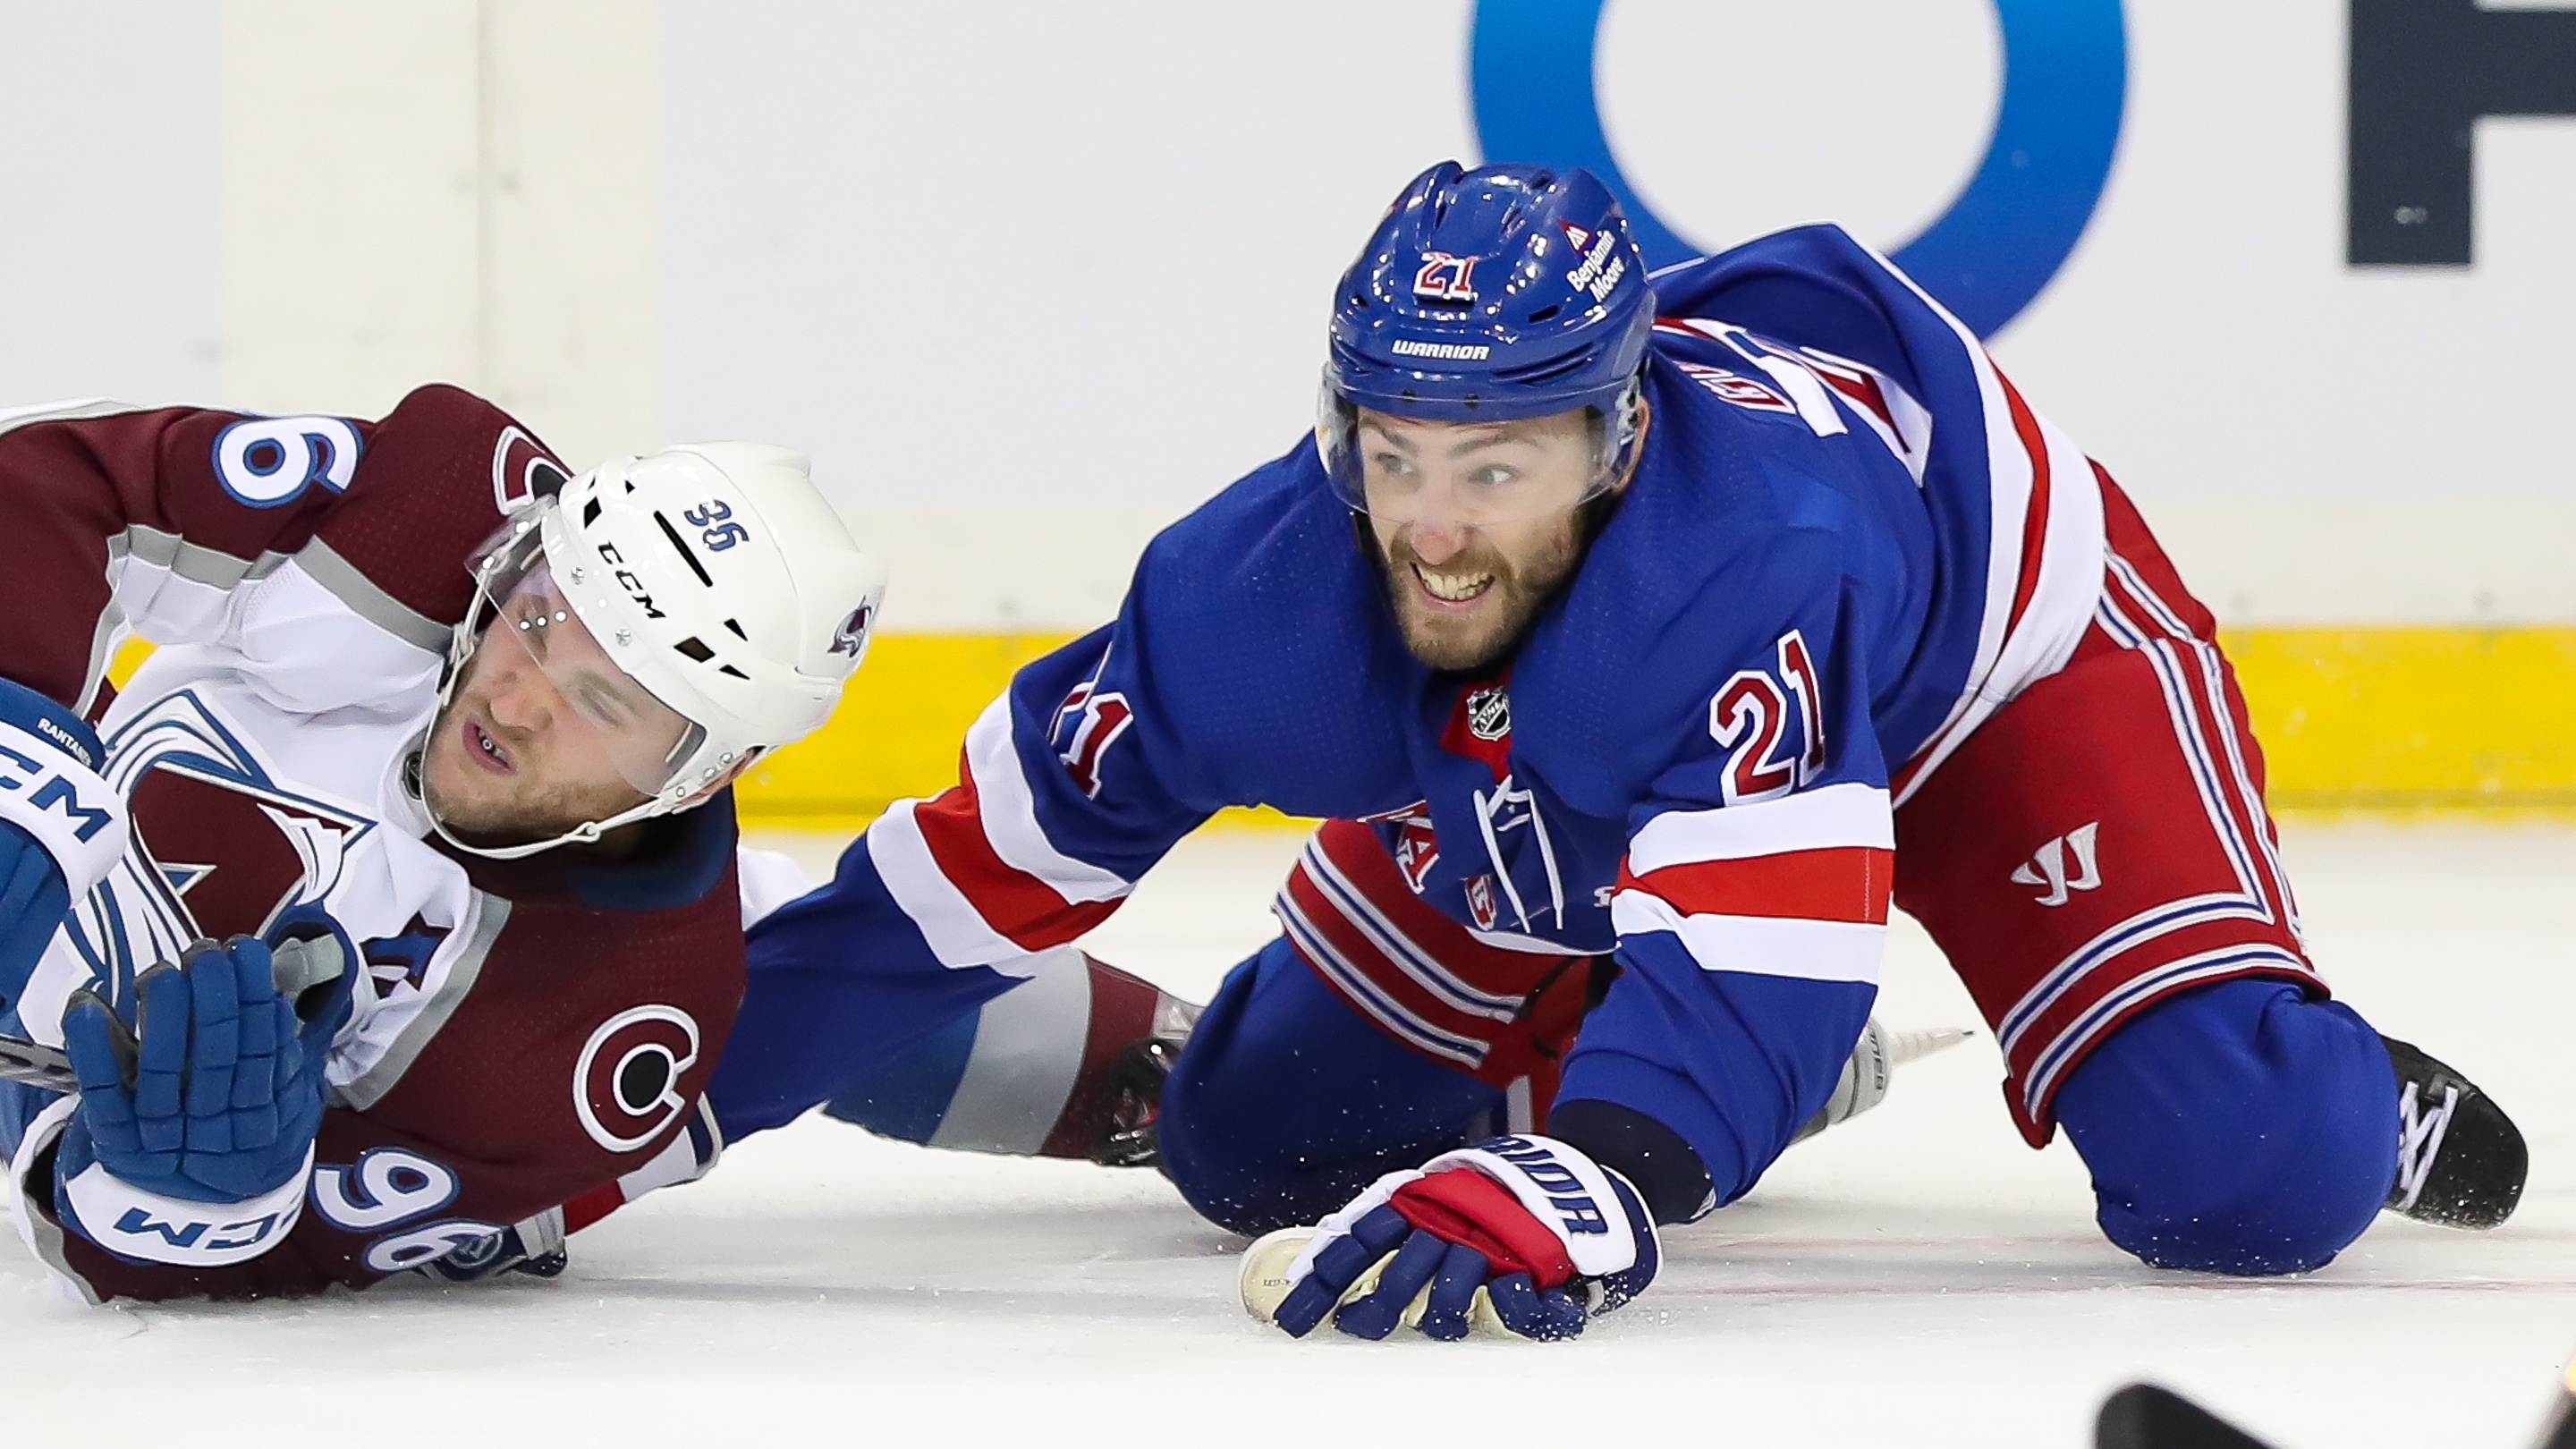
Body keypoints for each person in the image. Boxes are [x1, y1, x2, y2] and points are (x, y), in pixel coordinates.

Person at [711, 162, 2526, 1342]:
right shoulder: (1250, 591)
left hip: (1990, 691)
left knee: (2245, 1169)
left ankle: (2293, 1054)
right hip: (1595, 743)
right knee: (1257, 1149)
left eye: (1496, 466)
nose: (1434, 529)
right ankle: (1581, 1022)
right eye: (1397, 453)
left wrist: (1602, 1170)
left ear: (1619, 435)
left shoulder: (1752, 552)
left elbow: (1769, 959)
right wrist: (645, 1105)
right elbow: (959, 881)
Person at [0, 386, 891, 1301]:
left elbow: (235, 1251)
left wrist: (195, 1199)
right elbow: (55, 486)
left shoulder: (596, 1026)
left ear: (700, 777)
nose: (515, 703)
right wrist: (13, 749)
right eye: (537, 623)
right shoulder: (430, 513)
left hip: (727, 951)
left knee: (885, 1019)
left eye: (601, 701)